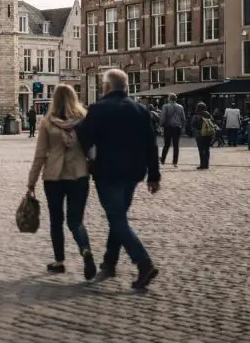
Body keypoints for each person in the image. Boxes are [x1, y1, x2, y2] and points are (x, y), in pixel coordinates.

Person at [77, 69, 161, 289]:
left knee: (117, 218)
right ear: (125, 87)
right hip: (133, 172)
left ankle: (143, 262)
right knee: (119, 215)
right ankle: (110, 261)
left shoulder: (98, 109)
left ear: (106, 86)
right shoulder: (140, 110)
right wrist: (154, 175)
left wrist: (89, 154)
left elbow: (84, 137)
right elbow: (151, 144)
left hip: (108, 172)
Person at [26, 84, 96, 280]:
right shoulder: (84, 120)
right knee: (76, 221)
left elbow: (40, 155)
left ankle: (59, 261)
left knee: (56, 220)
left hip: (53, 177)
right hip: (79, 175)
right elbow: (92, 147)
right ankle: (85, 250)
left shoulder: (48, 122)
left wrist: (31, 181)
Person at [159, 94, 185, 167]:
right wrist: (182, 127)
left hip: (168, 127)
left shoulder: (165, 106)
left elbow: (163, 117)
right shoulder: (180, 107)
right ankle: (175, 162)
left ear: (169, 98)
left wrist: (161, 125)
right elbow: (183, 119)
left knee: (166, 145)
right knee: (176, 145)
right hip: (177, 128)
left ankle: (163, 160)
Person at [193, 102, 216, 169]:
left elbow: (193, 124)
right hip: (208, 134)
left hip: (200, 134)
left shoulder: (197, 115)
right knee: (207, 149)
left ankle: (202, 164)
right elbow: (213, 123)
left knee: (201, 149)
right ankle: (207, 164)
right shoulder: (209, 114)